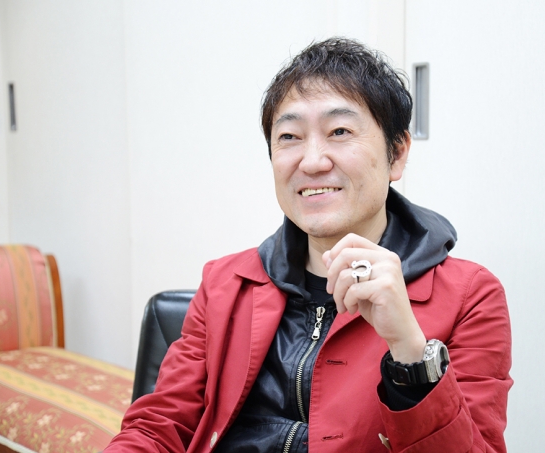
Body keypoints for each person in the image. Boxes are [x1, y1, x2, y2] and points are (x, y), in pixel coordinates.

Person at [105, 37, 512, 453]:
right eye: (289, 137)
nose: (312, 161)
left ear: (397, 154)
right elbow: (158, 428)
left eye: (340, 132)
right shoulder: (225, 282)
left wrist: (411, 352)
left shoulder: (470, 297)